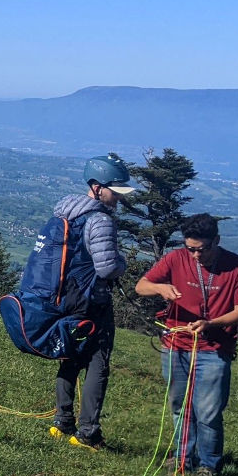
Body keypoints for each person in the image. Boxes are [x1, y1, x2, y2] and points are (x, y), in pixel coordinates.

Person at [136, 213, 238, 476]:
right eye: (189, 249)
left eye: (201, 250)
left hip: (214, 349)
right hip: (175, 346)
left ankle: (209, 465)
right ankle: (182, 458)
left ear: (216, 240)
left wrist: (211, 324)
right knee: (180, 406)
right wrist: (160, 288)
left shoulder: (236, 266)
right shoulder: (175, 258)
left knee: (208, 412)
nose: (194, 256)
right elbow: (141, 286)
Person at [48, 156, 134, 451]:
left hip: (64, 296)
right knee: (98, 362)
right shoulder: (100, 220)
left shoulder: (64, 211)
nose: (118, 200)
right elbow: (107, 268)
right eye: (115, 192)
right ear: (97, 187)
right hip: (92, 301)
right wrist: (122, 263)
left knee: (69, 356)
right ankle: (88, 432)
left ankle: (62, 421)